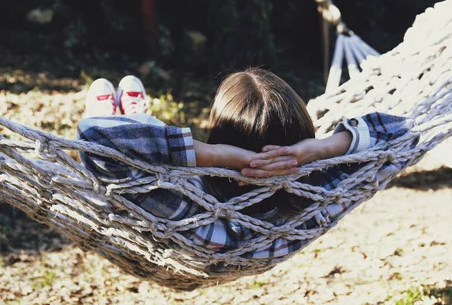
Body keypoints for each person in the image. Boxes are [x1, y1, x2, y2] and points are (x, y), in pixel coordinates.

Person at [78, 69, 415, 258]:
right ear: (301, 134)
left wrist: (216, 156)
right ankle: (137, 121)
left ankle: (134, 121)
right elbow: (403, 135)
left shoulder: (198, 207)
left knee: (133, 147)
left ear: (220, 136)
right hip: (298, 186)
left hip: (189, 204)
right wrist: (317, 149)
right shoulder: (318, 196)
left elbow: (98, 141)